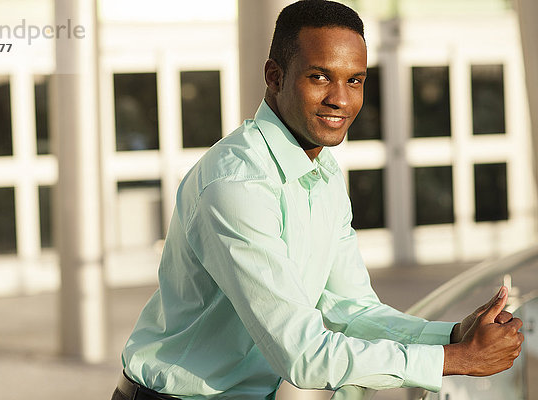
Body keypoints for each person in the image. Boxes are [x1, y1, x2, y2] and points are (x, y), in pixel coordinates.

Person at [112, 1, 524, 399]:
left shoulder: (323, 173)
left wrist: (452, 335)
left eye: (355, 80)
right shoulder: (236, 185)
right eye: (320, 77)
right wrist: (452, 360)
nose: (341, 100)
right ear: (274, 76)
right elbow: (304, 355)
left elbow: (350, 311)